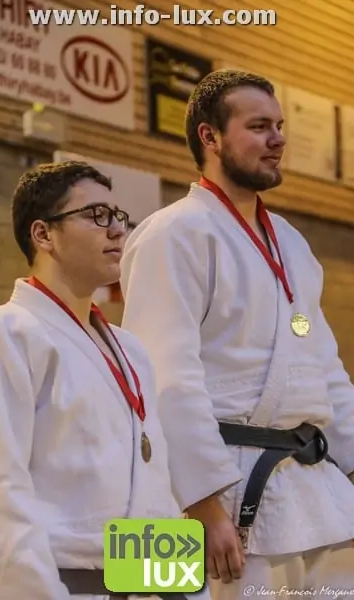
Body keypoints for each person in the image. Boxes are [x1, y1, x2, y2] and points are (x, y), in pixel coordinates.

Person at [119, 70, 354, 597]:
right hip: (212, 493)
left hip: (310, 490)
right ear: (211, 136)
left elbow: (326, 370)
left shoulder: (291, 243)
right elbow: (165, 377)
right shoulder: (171, 233)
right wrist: (202, 503)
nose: (278, 139)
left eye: (280, 126)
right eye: (259, 126)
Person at [0, 161, 193, 600]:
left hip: (145, 585)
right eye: (97, 215)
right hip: (61, 585)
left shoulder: (131, 351)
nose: (117, 230)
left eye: (118, 216)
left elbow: (153, 491)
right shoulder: (0, 335)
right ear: (43, 234)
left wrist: (183, 590)